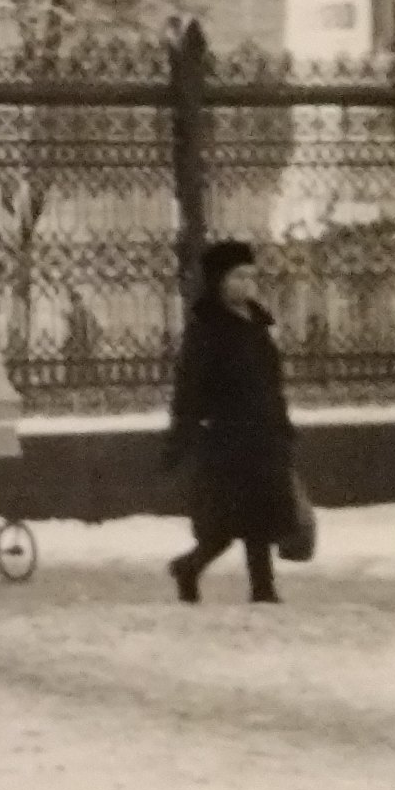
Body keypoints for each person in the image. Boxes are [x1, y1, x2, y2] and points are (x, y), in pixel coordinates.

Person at [163, 239, 301, 606]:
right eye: (237, 276)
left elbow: (272, 381)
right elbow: (189, 388)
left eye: (250, 276)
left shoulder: (257, 322)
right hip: (226, 438)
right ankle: (189, 567)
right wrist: (183, 435)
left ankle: (263, 589)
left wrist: (282, 425)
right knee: (223, 527)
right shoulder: (206, 329)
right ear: (218, 281)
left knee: (262, 516)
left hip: (263, 434)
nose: (246, 284)